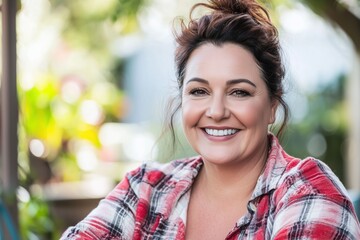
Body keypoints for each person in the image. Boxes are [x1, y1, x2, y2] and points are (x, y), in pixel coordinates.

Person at [61, 0, 360, 239]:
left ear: (271, 105)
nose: (216, 111)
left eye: (239, 92)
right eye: (199, 91)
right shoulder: (145, 189)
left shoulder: (309, 192)